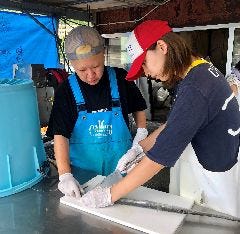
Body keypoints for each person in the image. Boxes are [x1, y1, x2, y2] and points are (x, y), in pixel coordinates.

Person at [79, 20, 240, 217]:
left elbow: (159, 158)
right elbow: (174, 125)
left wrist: (109, 195)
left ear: (162, 47)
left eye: (144, 64)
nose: (147, 73)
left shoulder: (195, 88)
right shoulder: (199, 70)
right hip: (210, 167)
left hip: (213, 184)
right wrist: (140, 148)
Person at [46, 26, 148, 198]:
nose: (91, 74)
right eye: (82, 70)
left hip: (123, 171)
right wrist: (64, 175)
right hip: (83, 177)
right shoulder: (66, 91)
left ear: (103, 54)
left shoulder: (121, 78)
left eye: (96, 66)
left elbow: (138, 107)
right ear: (72, 65)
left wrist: (142, 132)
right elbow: (60, 134)